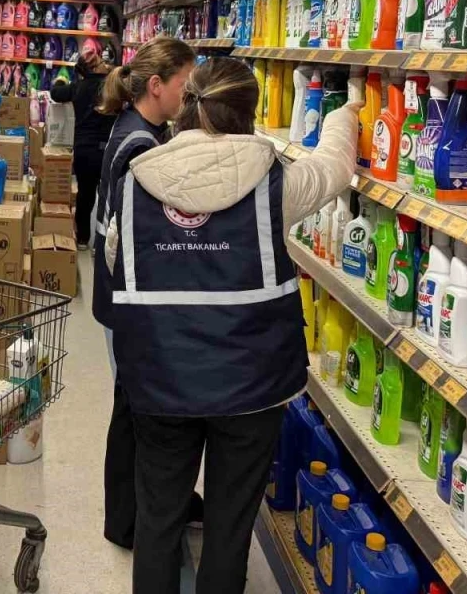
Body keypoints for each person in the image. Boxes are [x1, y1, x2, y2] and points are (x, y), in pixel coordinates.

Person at [103, 56, 359, 594]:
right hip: (251, 386)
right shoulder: (276, 185)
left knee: (159, 518)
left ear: (185, 105)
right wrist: (348, 109)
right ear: (250, 112)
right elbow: (335, 167)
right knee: (229, 524)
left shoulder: (134, 183)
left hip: (159, 380)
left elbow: (115, 260)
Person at [88, 37, 198, 550]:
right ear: (156, 86)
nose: (190, 96)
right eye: (185, 86)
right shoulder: (141, 145)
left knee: (130, 405)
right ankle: (126, 520)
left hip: (120, 293)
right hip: (130, 299)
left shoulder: (140, 129)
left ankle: (142, 507)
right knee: (134, 411)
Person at [48, 50, 117, 248]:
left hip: (84, 150)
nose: (105, 64)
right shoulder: (112, 87)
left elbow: (56, 93)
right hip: (107, 150)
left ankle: (83, 239)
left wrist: (60, 81)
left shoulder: (78, 87)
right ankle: (104, 243)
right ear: (95, 68)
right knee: (108, 197)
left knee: (85, 195)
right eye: (102, 62)